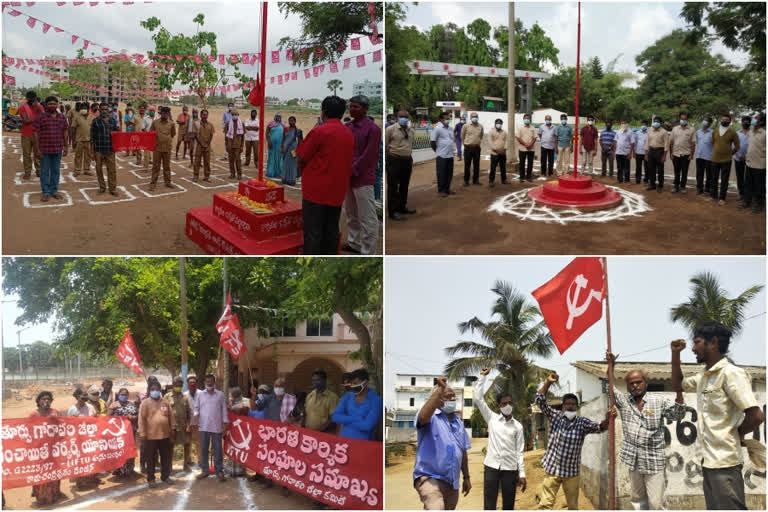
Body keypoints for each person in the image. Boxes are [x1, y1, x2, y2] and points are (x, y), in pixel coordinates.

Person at [671, 323, 765, 509]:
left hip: (726, 464)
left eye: (697, 342)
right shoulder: (704, 377)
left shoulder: (731, 374)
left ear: (713, 343)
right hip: (709, 463)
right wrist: (675, 354)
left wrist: (736, 434)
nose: (693, 348)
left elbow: (756, 415)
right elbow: (678, 384)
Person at [605, 352, 686, 510]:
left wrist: (679, 395)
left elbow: (678, 414)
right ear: (627, 386)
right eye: (631, 383)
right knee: (637, 501)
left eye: (638, 382)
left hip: (654, 461)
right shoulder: (624, 402)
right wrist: (611, 365)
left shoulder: (659, 401)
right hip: (633, 461)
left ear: (645, 383)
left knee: (656, 503)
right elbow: (609, 386)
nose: (635, 386)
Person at [536, 372, 612, 510]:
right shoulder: (555, 416)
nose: (570, 407)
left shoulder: (582, 423)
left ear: (577, 407)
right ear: (563, 406)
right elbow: (540, 400)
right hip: (553, 470)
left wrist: (607, 420)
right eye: (567, 404)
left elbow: (600, 427)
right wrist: (548, 382)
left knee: (572, 506)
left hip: (571, 473)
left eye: (573, 404)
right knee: (545, 504)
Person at [296, 96, 355, 254]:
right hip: (337, 191)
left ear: (324, 112)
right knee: (331, 231)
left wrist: (305, 174)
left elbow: (301, 156)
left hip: (316, 192)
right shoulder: (348, 134)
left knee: (313, 233)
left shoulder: (319, 131)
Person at [412, 376, 471, 510]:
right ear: (438, 398)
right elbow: (422, 418)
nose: (452, 399)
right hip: (429, 478)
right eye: (447, 396)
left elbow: (462, 452)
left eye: (453, 396)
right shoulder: (430, 416)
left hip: (451, 482)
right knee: (435, 507)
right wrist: (439, 389)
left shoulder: (459, 423)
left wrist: (466, 477)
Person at [474, 368, 526, 510]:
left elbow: (519, 452)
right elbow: (478, 399)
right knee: (489, 503)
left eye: (509, 403)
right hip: (491, 467)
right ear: (498, 406)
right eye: (504, 403)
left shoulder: (518, 427)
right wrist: (482, 377)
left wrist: (521, 473)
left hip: (510, 469)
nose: (507, 406)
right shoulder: (492, 418)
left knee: (509, 504)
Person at [344, 95, 381, 255]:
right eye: (351, 106)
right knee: (351, 213)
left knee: (367, 217)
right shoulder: (348, 127)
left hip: (363, 178)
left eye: (356, 107)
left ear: (365, 109)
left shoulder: (373, 129)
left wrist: (353, 168)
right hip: (348, 177)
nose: (352, 109)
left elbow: (370, 155)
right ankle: (354, 243)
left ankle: (368, 250)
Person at [30, 391, 66, 505]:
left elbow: (62, 427)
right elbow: (28, 432)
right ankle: (41, 496)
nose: (46, 401)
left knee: (54, 471)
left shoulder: (55, 412)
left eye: (48, 399)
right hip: (40, 450)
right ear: (38, 401)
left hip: (54, 448)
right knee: (41, 472)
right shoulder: (33, 415)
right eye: (43, 399)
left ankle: (54, 494)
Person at [138, 380, 175, 488]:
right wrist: (143, 434)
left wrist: (173, 428)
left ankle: (165, 476)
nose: (155, 391)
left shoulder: (165, 402)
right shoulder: (145, 403)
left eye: (157, 389)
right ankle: (151, 478)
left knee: (165, 457)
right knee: (151, 459)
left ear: (160, 390)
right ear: (149, 391)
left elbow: (171, 416)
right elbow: (141, 420)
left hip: (165, 435)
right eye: (153, 389)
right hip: (150, 436)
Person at [33, 96, 69, 202]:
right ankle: (45, 192)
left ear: (57, 105)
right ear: (46, 105)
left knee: (55, 171)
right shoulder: (41, 117)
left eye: (54, 104)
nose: (52, 106)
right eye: (50, 104)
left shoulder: (62, 117)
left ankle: (54, 191)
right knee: (44, 172)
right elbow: (35, 132)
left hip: (57, 149)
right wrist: (37, 149)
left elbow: (65, 131)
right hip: (44, 149)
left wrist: (66, 146)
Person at [194, 374, 229, 482]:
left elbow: (224, 410)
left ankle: (219, 471)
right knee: (204, 449)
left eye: (211, 381)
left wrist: (225, 424)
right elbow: (196, 408)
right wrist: (196, 416)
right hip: (203, 426)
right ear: (205, 383)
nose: (209, 383)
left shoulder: (220, 395)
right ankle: (205, 470)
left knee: (218, 450)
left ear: (214, 382)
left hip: (216, 427)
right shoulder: (200, 395)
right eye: (207, 381)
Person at [332, 368, 382, 440]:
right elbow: (335, 417)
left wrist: (345, 420)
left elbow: (367, 426)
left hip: (363, 443)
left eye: (355, 383)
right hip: (343, 443)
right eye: (351, 383)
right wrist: (357, 418)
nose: (352, 386)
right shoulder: (347, 396)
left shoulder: (376, 400)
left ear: (365, 383)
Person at [67, 388, 101, 490]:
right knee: (81, 460)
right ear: (77, 397)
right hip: (78, 440)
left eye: (86, 395)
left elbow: (96, 420)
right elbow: (68, 426)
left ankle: (93, 479)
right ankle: (81, 483)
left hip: (90, 438)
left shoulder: (91, 407)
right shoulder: (72, 410)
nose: (85, 398)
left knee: (92, 459)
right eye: (82, 396)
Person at [385, 110, 415, 221]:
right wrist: (387, 161)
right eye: (402, 116)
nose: (404, 118)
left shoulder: (410, 130)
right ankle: (393, 211)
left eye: (406, 117)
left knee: (404, 185)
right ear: (397, 117)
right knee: (393, 186)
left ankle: (402, 207)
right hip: (394, 160)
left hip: (407, 160)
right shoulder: (390, 129)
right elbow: (386, 145)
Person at [90, 102, 120, 196]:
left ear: (108, 110)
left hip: (110, 149)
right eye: (102, 109)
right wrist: (92, 152)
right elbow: (92, 137)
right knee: (98, 169)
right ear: (99, 110)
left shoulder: (113, 120)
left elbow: (117, 135)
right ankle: (102, 187)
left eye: (106, 109)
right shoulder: (95, 121)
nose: (104, 111)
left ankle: (113, 189)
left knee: (112, 170)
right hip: (98, 149)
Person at [108, 388, 139, 477]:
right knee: (119, 450)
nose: (124, 396)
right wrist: (120, 418)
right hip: (119, 433)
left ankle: (129, 469)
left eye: (126, 395)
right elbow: (108, 417)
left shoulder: (131, 404)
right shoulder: (114, 405)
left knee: (130, 450)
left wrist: (133, 417)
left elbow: (137, 415)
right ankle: (118, 469)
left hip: (130, 432)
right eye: (122, 394)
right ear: (119, 395)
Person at [710, 114, 740, 205]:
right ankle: (713, 196)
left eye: (726, 120)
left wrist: (730, 154)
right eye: (723, 119)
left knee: (724, 179)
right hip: (715, 159)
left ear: (729, 121)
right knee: (714, 178)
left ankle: (722, 198)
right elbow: (712, 142)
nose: (724, 121)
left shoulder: (732, 132)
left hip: (726, 160)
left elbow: (737, 146)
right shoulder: (715, 131)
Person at [165, 376, 192, 472]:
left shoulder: (185, 397)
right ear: (173, 385)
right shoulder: (167, 397)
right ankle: (169, 466)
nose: (178, 386)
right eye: (177, 385)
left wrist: (189, 425)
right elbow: (164, 412)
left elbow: (189, 412)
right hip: (172, 426)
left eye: (180, 385)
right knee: (170, 446)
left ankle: (186, 464)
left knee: (187, 444)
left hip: (183, 425)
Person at [742, 112, 766, 213]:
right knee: (748, 184)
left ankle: (759, 204)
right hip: (749, 162)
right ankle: (747, 202)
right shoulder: (751, 131)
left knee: (759, 186)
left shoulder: (765, 133)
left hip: (760, 164)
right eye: (755, 118)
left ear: (762, 122)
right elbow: (750, 146)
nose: (754, 120)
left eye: (757, 118)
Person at [304, 369, 339, 433]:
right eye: (313, 380)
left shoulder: (332, 397)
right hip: (308, 434)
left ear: (324, 381)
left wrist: (319, 431)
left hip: (324, 435)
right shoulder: (309, 396)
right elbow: (306, 414)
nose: (315, 382)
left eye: (318, 380)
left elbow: (334, 419)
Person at [150, 106, 177, 190]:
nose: (165, 115)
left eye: (166, 113)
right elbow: (151, 133)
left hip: (167, 148)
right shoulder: (155, 122)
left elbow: (173, 134)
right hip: (157, 148)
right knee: (155, 167)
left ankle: (168, 182)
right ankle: (153, 184)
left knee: (167, 166)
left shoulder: (171, 123)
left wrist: (166, 140)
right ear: (160, 113)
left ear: (168, 114)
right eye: (163, 113)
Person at [430, 111, 456, 197]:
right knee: (441, 173)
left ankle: (447, 189)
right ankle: (441, 190)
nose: (448, 120)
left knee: (449, 173)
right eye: (446, 118)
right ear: (441, 119)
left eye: (449, 118)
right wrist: (437, 151)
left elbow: (452, 140)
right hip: (441, 155)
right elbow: (432, 141)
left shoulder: (451, 129)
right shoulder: (437, 129)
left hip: (450, 155)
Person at [669, 112, 696, 193]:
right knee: (676, 171)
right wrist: (671, 153)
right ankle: (676, 186)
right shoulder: (675, 129)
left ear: (687, 120)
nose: (683, 120)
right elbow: (671, 143)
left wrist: (691, 155)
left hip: (686, 155)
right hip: (676, 154)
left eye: (685, 119)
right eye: (682, 119)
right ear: (679, 119)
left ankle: (683, 187)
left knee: (684, 172)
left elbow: (693, 143)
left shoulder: (692, 130)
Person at [20, 91, 44, 179]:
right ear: (27, 98)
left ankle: (39, 171)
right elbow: (26, 121)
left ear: (35, 98)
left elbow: (43, 116)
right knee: (26, 154)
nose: (31, 100)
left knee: (38, 153)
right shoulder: (23, 107)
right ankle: (27, 172)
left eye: (33, 98)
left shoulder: (39, 106)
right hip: (26, 133)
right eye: (30, 98)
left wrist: (38, 108)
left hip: (38, 133)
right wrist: (38, 117)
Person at [228, 387, 250, 477]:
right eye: (232, 395)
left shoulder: (245, 401)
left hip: (242, 429)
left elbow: (246, 410)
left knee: (241, 450)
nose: (233, 397)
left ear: (239, 394)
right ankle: (232, 470)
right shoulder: (230, 401)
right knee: (232, 449)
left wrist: (234, 409)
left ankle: (241, 470)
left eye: (235, 395)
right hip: (232, 429)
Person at [644, 116, 670, 193]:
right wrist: (646, 154)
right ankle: (652, 184)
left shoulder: (664, 132)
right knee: (651, 168)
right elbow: (647, 142)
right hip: (651, 151)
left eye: (657, 121)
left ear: (660, 123)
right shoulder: (650, 130)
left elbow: (666, 145)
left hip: (660, 151)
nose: (656, 123)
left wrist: (664, 156)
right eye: (655, 121)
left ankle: (660, 185)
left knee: (660, 170)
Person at [70, 103, 93, 176]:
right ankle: (77, 170)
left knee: (88, 155)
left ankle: (87, 169)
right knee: (78, 156)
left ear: (88, 109)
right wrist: (73, 140)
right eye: (82, 108)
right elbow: (73, 129)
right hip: (79, 140)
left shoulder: (92, 117)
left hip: (89, 140)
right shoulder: (77, 117)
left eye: (85, 108)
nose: (83, 109)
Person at [461, 112, 483, 185]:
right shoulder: (465, 126)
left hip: (477, 148)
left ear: (478, 117)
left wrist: (477, 143)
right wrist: (465, 144)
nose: (475, 118)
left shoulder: (480, 126)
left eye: (476, 116)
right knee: (467, 165)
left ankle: (475, 180)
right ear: (470, 118)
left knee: (476, 165)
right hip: (468, 148)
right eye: (473, 116)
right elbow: (462, 136)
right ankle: (466, 181)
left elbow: (481, 136)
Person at [193, 109, 215, 182]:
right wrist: (201, 144)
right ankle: (196, 176)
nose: (205, 116)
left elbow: (211, 135)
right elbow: (196, 135)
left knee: (207, 162)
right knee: (197, 161)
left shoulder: (210, 125)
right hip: (199, 145)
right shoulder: (197, 123)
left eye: (206, 115)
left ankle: (207, 176)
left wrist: (207, 144)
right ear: (200, 115)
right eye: (203, 114)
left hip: (207, 146)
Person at [184, 376, 201, 469]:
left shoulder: (202, 394)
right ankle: (187, 461)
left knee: (199, 443)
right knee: (187, 443)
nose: (192, 384)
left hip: (199, 423)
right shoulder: (184, 395)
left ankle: (200, 461)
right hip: (188, 424)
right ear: (188, 384)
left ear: (196, 384)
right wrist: (187, 424)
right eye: (190, 383)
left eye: (194, 383)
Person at [733, 116, 751, 200]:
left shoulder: (752, 133)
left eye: (747, 122)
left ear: (750, 123)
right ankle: (741, 193)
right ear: (741, 122)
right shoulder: (737, 133)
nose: (745, 123)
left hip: (750, 159)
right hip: (738, 158)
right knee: (739, 176)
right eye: (744, 121)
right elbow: (734, 145)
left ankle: (748, 194)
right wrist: (738, 156)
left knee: (749, 177)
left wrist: (746, 157)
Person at [487, 118, 508, 188]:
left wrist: (504, 149)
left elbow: (507, 141)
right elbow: (490, 142)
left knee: (503, 167)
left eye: (500, 123)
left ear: (502, 124)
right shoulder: (491, 132)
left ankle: (504, 180)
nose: (499, 124)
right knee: (493, 168)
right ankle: (491, 181)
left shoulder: (504, 132)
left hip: (503, 153)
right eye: (497, 123)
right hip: (494, 153)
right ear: (495, 124)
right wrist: (497, 150)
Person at [695, 117, 714, 195]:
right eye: (704, 120)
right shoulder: (698, 132)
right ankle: (699, 188)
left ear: (710, 123)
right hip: (699, 156)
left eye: (707, 121)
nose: (705, 122)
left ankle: (707, 189)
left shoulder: (713, 132)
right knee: (699, 174)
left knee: (709, 175)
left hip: (709, 157)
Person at [282, 116, 303, 186]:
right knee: (285, 164)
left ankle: (292, 180)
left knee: (293, 165)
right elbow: (283, 139)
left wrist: (299, 151)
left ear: (295, 121)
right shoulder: (286, 129)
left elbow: (300, 142)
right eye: (290, 121)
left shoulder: (298, 131)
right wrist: (282, 147)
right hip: (286, 149)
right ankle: (285, 179)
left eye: (292, 121)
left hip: (294, 150)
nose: (291, 122)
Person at [516, 113, 537, 182]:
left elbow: (535, 137)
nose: (527, 120)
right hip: (522, 148)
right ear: (523, 119)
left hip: (531, 149)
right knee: (522, 163)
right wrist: (525, 144)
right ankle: (521, 177)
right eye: (525, 118)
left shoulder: (533, 128)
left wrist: (530, 144)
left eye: (528, 118)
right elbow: (518, 137)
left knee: (530, 163)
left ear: (530, 119)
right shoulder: (520, 128)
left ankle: (529, 176)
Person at [226, 109, 245, 180]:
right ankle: (232, 173)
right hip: (230, 145)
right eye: (233, 114)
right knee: (231, 160)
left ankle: (239, 174)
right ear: (231, 115)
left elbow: (243, 136)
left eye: (236, 114)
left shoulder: (241, 124)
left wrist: (242, 146)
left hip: (238, 145)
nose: (234, 116)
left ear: (238, 115)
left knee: (238, 160)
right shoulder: (228, 123)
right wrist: (226, 145)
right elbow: (226, 135)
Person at [267, 113, 285, 178]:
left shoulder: (283, 125)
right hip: (272, 144)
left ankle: (279, 172)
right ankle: (271, 172)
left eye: (279, 117)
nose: (278, 118)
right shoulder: (270, 124)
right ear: (274, 117)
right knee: (272, 157)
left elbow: (285, 135)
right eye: (277, 116)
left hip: (280, 144)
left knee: (279, 158)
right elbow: (267, 134)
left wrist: (283, 145)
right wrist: (269, 142)